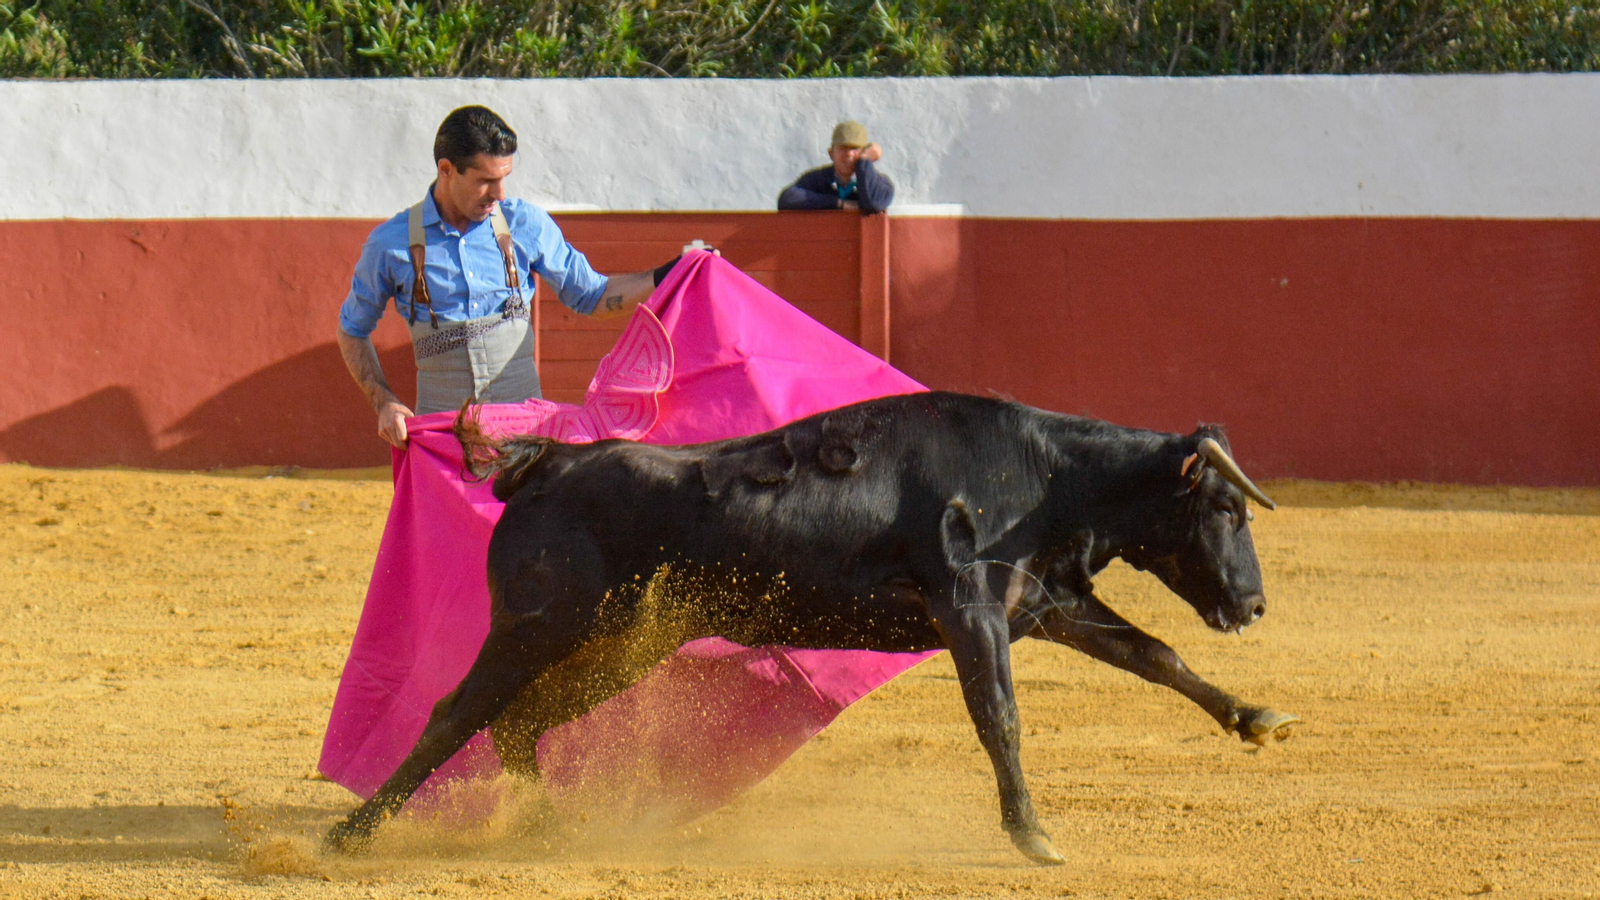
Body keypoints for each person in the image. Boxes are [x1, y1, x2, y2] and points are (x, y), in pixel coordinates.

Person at [336, 105, 680, 447]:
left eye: (503, 179)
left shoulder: (524, 223)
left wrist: (672, 274)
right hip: (441, 439)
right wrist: (385, 402)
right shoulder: (390, 244)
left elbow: (593, 295)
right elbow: (352, 329)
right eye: (485, 181)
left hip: (525, 434)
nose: (499, 194)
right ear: (446, 170)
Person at [777, 120, 895, 214]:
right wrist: (839, 203)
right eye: (843, 148)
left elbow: (874, 204)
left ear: (865, 153)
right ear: (831, 153)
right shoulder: (818, 179)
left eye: (854, 149)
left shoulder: (879, 184)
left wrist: (864, 163)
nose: (848, 154)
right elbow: (787, 198)